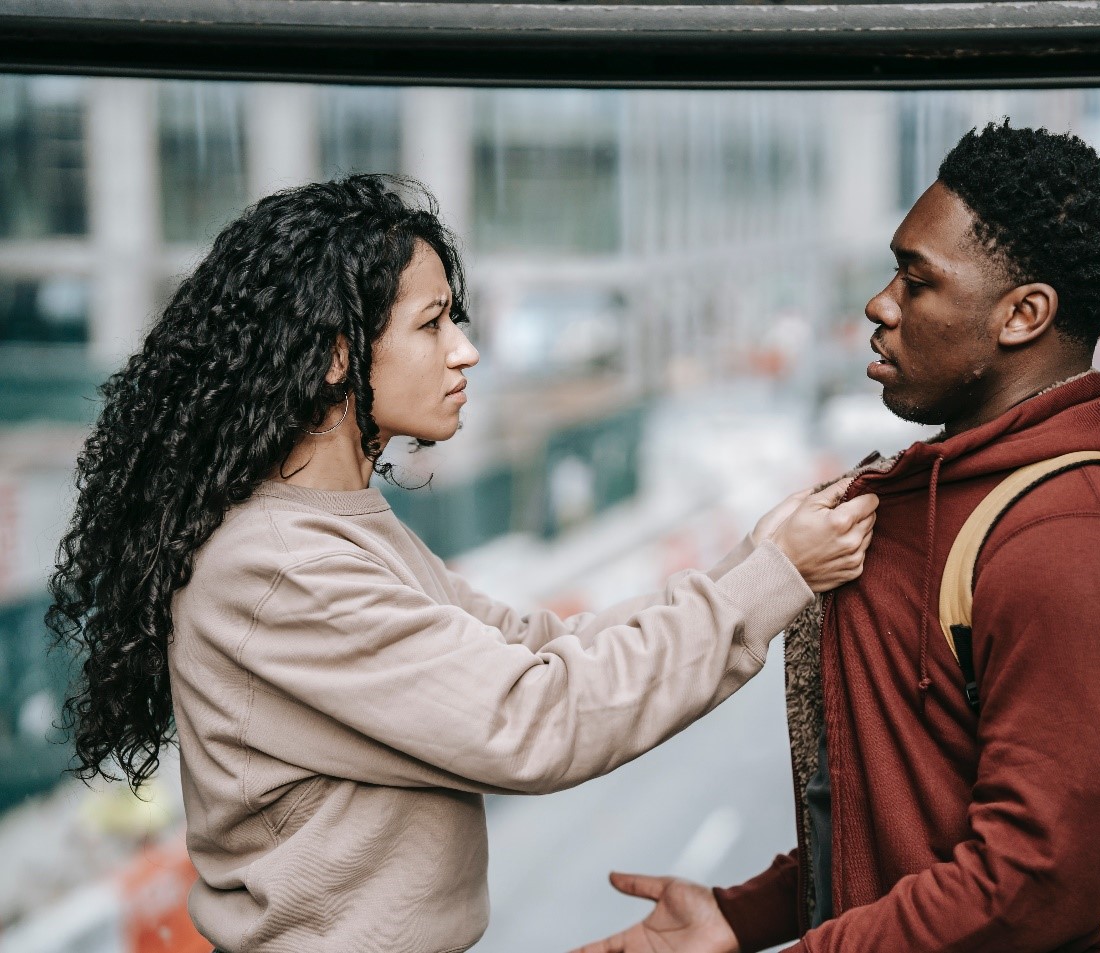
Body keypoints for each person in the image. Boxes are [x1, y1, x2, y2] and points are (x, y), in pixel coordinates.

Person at [46, 174, 879, 953]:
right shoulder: (276, 568)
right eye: (433, 322)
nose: (465, 350)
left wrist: (754, 559)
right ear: (336, 357)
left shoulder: (338, 528)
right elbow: (536, 715)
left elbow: (534, 640)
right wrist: (774, 582)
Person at [574, 120, 1100, 953]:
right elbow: (911, 814)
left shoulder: (1085, 542)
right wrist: (744, 915)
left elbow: (1031, 882)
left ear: (1022, 314)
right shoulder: (949, 487)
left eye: (917, 281)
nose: (880, 303)